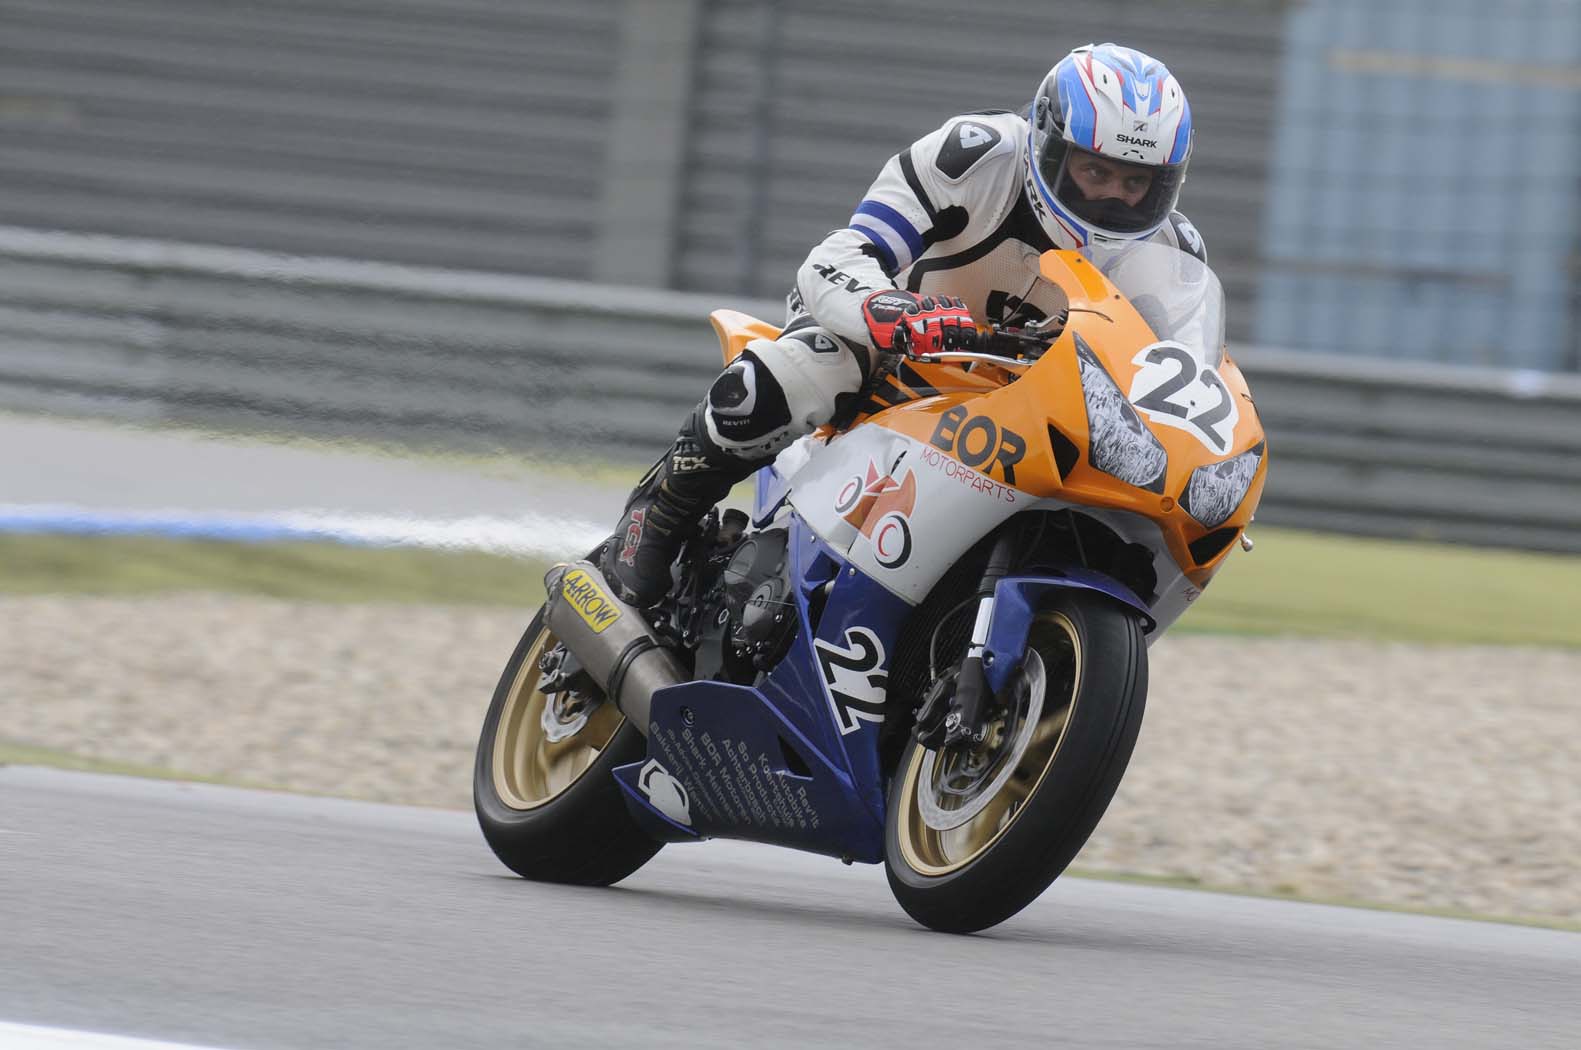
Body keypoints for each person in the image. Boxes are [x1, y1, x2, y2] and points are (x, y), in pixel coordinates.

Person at [602, 42, 1207, 607]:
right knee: (815, 359)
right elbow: (840, 255)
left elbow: (1170, 382)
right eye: (1094, 173)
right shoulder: (976, 156)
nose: (1113, 199)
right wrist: (885, 309)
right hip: (890, 353)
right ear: (1049, 144)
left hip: (1020, 409)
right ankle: (660, 513)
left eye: (1136, 183)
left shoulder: (1172, 255)